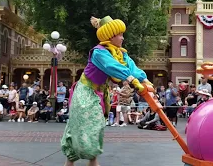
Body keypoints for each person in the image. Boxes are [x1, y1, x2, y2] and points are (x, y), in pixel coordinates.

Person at [61, 15, 153, 166]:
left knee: (94, 126)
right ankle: (77, 161)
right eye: (120, 34)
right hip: (85, 91)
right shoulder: (99, 52)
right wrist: (132, 80)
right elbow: (112, 67)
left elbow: (131, 67)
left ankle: (92, 161)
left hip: (99, 94)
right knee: (84, 125)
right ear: (110, 36)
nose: (123, 38)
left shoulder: (120, 53)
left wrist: (145, 80)